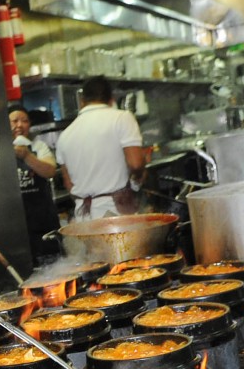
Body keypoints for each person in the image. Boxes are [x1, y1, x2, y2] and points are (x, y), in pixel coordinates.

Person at [55, 76, 147, 221]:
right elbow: (135, 163)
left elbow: (69, 184)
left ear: (82, 101)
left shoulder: (64, 135)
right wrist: (139, 173)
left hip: (83, 218)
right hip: (116, 215)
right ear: (112, 99)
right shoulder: (122, 118)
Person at [8, 105, 61, 264]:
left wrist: (27, 156)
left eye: (24, 121)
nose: (20, 125)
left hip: (42, 221)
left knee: (53, 265)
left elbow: (50, 171)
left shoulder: (39, 146)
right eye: (15, 121)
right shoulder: (0, 151)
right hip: (14, 225)